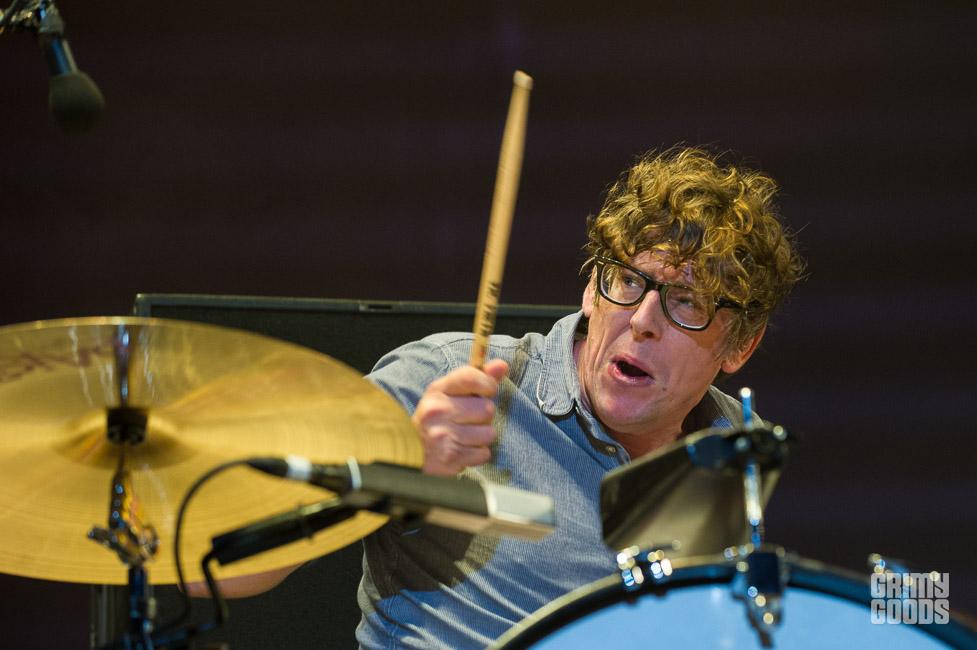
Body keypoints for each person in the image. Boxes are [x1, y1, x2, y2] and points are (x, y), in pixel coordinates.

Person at [355, 145, 805, 649]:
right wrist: (395, 473)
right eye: (628, 281)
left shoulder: (735, 444)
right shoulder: (445, 380)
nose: (642, 321)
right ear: (592, 287)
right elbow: (270, 560)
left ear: (742, 344)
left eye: (687, 303)